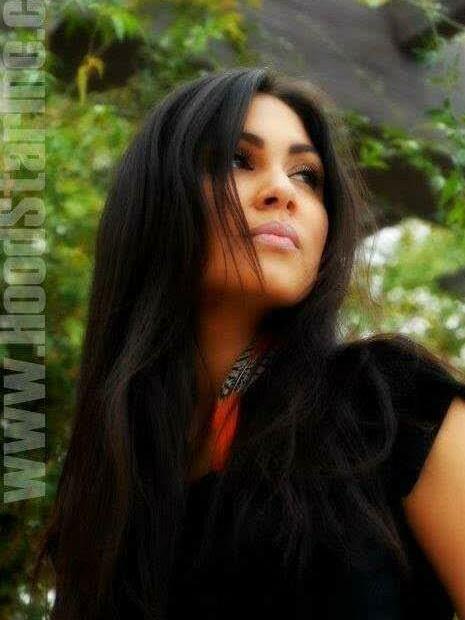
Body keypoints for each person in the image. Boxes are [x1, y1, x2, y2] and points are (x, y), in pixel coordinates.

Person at [32, 66, 465, 619]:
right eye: (240, 160)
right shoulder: (110, 504)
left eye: (307, 175)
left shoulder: (388, 406)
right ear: (158, 202)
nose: (283, 191)